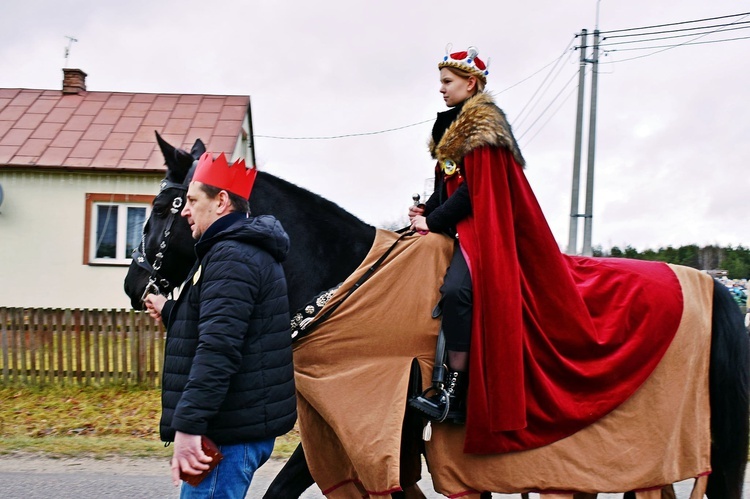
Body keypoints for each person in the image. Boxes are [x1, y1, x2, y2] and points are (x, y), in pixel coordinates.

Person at [144, 151, 296, 498]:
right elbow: (225, 325)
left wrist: (188, 428)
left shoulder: (232, 256)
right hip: (233, 424)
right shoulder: (232, 251)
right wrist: (170, 310)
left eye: (193, 200)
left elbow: (219, 348)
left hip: (226, 431)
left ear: (221, 201)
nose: (184, 210)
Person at [408, 45, 522, 424]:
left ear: (470, 83)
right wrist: (426, 209)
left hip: (484, 234)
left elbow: (474, 191)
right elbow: (448, 188)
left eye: (447, 82)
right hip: (458, 227)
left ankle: (454, 394)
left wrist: (434, 221)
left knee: (458, 292)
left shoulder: (483, 126)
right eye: (440, 82)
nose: (441, 89)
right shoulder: (454, 126)